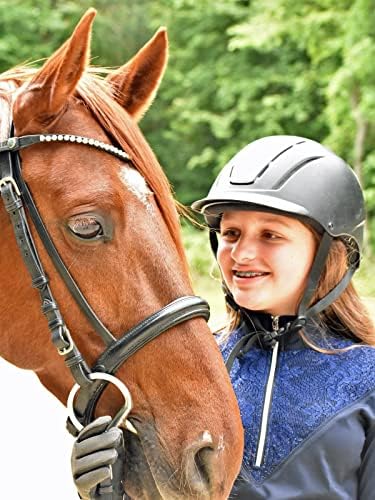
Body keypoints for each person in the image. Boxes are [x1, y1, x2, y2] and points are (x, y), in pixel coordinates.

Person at [71, 135, 375, 499]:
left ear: (331, 253)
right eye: (231, 233)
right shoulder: (192, 364)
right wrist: (114, 494)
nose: (242, 253)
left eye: (270, 234)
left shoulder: (368, 379)